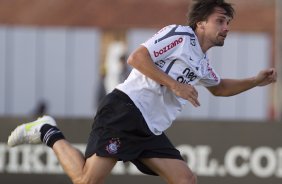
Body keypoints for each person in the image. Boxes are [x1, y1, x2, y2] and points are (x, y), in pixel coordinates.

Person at [7, 0, 277, 183]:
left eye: (228, 22)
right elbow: (136, 58)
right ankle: (46, 130)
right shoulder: (180, 35)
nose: (226, 28)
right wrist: (175, 85)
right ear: (201, 23)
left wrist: (254, 80)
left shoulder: (202, 62)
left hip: (149, 129)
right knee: (86, 180)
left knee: (186, 179)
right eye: (221, 21)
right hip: (125, 110)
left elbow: (219, 88)